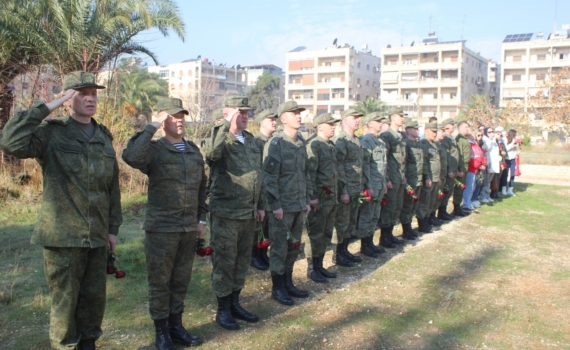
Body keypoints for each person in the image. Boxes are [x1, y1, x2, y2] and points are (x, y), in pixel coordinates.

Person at [0, 71, 122, 350]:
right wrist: (46, 109)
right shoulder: (51, 133)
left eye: (93, 93)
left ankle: (88, 344)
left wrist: (113, 229)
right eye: (82, 93)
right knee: (65, 305)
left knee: (93, 301)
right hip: (62, 238)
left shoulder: (103, 136)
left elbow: (111, 187)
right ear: (67, 99)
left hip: (97, 234)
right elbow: (10, 142)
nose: (90, 98)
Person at [122, 98, 206, 349]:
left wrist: (201, 218)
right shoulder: (154, 150)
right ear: (162, 119)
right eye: (172, 116)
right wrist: (152, 127)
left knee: (180, 281)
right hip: (162, 229)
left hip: (189, 227)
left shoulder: (192, 150)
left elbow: (202, 186)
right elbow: (130, 156)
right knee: (160, 282)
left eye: (181, 115)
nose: (179, 119)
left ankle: (176, 326)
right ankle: (161, 333)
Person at [203, 96, 265, 330]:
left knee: (241, 261)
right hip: (226, 213)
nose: (246, 116)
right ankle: (223, 309)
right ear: (228, 113)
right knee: (224, 262)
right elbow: (211, 155)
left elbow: (260, 175)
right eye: (240, 112)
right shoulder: (220, 139)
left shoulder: (251, 141)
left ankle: (235, 303)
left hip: (248, 212)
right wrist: (223, 124)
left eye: (248, 112)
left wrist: (260, 205)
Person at [263, 100, 312, 306]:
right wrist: (276, 205)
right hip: (282, 207)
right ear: (283, 119)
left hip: (298, 204)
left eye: (299, 113)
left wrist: (306, 200)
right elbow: (269, 177)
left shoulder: (300, 142)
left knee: (293, 246)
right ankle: (277, 288)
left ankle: (288, 282)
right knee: (279, 248)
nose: (299, 116)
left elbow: (305, 173)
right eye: (294, 113)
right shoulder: (276, 144)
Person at [305, 113, 341, 282]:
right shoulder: (314, 145)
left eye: (334, 124)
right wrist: (312, 197)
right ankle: (312, 268)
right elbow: (310, 173)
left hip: (331, 197)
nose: (333, 126)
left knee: (326, 233)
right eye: (330, 124)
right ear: (320, 126)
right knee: (315, 233)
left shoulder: (330, 145)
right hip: (319, 199)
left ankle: (320, 265)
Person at [332, 108, 370, 263]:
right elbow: (339, 167)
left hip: (356, 187)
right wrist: (344, 190)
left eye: (359, 118)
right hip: (346, 188)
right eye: (354, 118)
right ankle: (337, 255)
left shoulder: (356, 139)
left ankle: (345, 250)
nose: (357, 121)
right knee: (341, 223)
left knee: (350, 222)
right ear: (345, 120)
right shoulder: (342, 140)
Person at [250, 110, 278, 271]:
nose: (274, 122)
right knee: (258, 225)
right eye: (270, 120)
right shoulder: (256, 142)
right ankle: (254, 256)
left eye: (275, 120)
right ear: (262, 123)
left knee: (268, 226)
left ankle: (263, 253)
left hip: (272, 190)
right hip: (261, 190)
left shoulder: (275, 141)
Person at [359, 112, 389, 255]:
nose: (380, 123)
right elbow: (366, 165)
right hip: (371, 184)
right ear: (370, 124)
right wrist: (368, 186)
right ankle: (365, 245)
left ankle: (370, 242)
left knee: (375, 215)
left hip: (380, 184)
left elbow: (383, 165)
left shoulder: (381, 142)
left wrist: (385, 182)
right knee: (367, 214)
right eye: (377, 121)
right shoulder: (366, 140)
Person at [378, 107, 407, 247]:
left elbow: (402, 159)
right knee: (389, 208)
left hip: (400, 177)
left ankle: (390, 235)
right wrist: (387, 178)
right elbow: (385, 159)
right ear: (393, 117)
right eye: (400, 116)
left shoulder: (400, 135)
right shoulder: (387, 135)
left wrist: (404, 175)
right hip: (392, 177)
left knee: (396, 207)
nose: (403, 118)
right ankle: (384, 237)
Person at [399, 118, 423, 240]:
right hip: (410, 179)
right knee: (407, 206)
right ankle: (406, 229)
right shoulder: (406, 144)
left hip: (418, 179)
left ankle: (409, 227)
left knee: (414, 205)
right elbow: (403, 163)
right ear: (408, 130)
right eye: (415, 128)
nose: (418, 130)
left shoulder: (418, 144)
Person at [416, 123, 440, 233]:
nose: (435, 134)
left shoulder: (433, 144)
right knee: (424, 202)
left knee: (431, 201)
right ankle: (422, 223)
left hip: (435, 177)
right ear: (426, 131)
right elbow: (424, 162)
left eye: (436, 132)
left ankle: (428, 220)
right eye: (432, 131)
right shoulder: (423, 143)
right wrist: (426, 177)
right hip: (429, 177)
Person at [437, 118, 460, 220]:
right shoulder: (445, 138)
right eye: (452, 124)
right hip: (448, 170)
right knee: (445, 191)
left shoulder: (451, 138)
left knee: (449, 191)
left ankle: (444, 210)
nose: (453, 126)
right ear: (446, 126)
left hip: (454, 169)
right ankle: (441, 212)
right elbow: (447, 156)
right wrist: (450, 169)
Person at [463, 134, 487, 211]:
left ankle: (469, 202)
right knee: (469, 187)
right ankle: (466, 204)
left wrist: (483, 163)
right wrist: (476, 164)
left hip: (476, 169)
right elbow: (470, 157)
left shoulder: (475, 144)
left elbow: (480, 155)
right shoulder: (468, 144)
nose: (475, 136)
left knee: (473, 187)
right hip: (471, 169)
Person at [431, 123, 448, 226]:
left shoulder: (439, 144)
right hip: (435, 176)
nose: (443, 133)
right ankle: (430, 217)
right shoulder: (433, 145)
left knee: (437, 198)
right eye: (442, 131)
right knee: (432, 198)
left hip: (441, 175)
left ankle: (434, 215)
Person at [453, 121, 471, 216]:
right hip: (462, 166)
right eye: (465, 127)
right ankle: (456, 208)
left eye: (468, 127)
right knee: (459, 188)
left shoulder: (465, 139)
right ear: (460, 128)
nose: (467, 128)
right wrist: (460, 169)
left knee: (462, 188)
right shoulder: (459, 139)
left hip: (465, 166)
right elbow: (459, 155)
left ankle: (458, 206)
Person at [481, 127, 500, 203]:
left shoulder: (494, 141)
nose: (492, 133)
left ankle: (487, 195)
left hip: (494, 164)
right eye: (489, 132)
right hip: (488, 163)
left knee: (489, 182)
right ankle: (483, 196)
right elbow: (486, 150)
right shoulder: (485, 140)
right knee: (486, 181)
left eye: (493, 131)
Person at [500, 129, 519, 196]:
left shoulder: (514, 141)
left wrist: (517, 151)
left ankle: (510, 189)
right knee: (505, 174)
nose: (515, 136)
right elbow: (506, 149)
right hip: (507, 159)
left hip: (513, 159)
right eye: (514, 135)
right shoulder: (505, 140)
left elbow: (515, 150)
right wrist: (512, 143)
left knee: (512, 174)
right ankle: (503, 189)